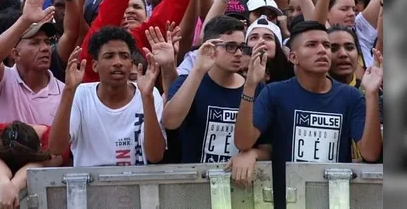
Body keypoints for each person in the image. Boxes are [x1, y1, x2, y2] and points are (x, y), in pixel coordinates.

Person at [234, 21, 383, 209]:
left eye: (326, 45)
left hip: (336, 200)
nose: (322, 50)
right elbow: (243, 142)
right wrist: (250, 85)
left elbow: (370, 153)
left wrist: (371, 94)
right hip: (287, 201)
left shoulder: (350, 96)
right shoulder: (274, 93)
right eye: (311, 45)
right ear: (293, 57)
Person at [162, 17, 267, 184]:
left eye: (241, 47)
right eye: (230, 47)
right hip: (195, 186)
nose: (239, 53)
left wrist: (252, 154)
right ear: (209, 47)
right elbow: (170, 121)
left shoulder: (256, 88)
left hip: (240, 186)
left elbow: (269, 147)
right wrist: (198, 69)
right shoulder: (186, 81)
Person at [49, 27, 166, 166]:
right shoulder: (80, 94)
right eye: (109, 56)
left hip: (136, 186)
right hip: (89, 186)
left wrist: (146, 98)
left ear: (131, 64)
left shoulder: (149, 93)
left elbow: (155, 156)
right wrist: (69, 90)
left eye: (124, 56)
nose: (118, 62)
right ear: (95, 65)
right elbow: (56, 149)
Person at [0, 0, 64, 126]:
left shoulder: (63, 91)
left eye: (47, 42)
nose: (45, 48)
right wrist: (25, 20)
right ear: (15, 54)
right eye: (35, 43)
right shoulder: (3, 80)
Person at [0, 121, 69, 209]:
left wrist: (14, 186)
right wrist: (3, 183)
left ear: (40, 147)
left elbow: (36, 166)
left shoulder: (57, 141)